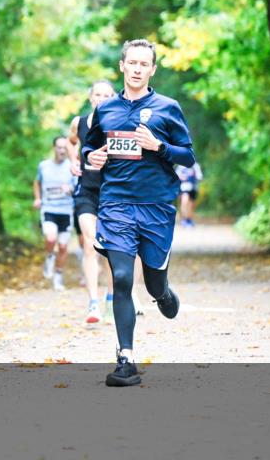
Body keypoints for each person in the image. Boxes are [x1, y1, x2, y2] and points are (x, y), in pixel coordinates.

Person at [82, 39, 196, 387]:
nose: (136, 68)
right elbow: (90, 145)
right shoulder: (106, 110)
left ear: (152, 70)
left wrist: (159, 147)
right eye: (131, 62)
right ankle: (126, 359)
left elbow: (187, 156)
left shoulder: (168, 107)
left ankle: (162, 292)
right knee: (120, 277)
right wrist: (92, 157)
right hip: (116, 203)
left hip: (157, 206)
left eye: (143, 64)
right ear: (122, 66)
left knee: (152, 280)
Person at [67, 80, 116, 323]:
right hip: (86, 191)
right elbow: (71, 141)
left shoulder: (120, 123)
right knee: (90, 244)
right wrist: (73, 161)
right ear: (90, 98)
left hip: (113, 194)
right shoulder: (80, 122)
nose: (102, 99)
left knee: (109, 250)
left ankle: (111, 297)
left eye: (108, 95)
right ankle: (93, 303)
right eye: (98, 94)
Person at [33, 136, 75, 291]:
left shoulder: (72, 167)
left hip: (66, 210)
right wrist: (38, 198)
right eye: (59, 147)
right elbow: (37, 182)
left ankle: (58, 276)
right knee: (51, 238)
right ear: (54, 148)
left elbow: (77, 189)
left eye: (65, 147)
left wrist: (70, 190)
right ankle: (50, 256)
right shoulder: (44, 166)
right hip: (49, 209)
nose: (62, 150)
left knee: (63, 247)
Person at [176, 162, 203, 227]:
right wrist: (182, 177)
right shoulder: (181, 166)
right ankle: (184, 219)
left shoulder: (195, 166)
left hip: (193, 188)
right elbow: (176, 175)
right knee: (184, 202)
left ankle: (189, 219)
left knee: (191, 205)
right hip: (184, 188)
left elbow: (200, 177)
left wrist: (195, 176)